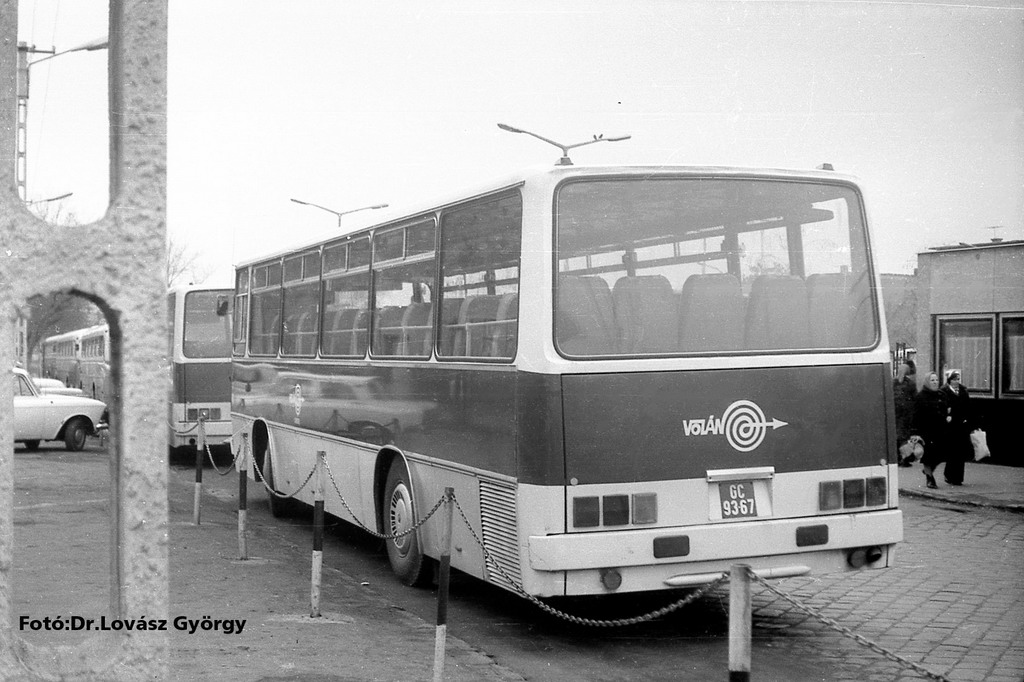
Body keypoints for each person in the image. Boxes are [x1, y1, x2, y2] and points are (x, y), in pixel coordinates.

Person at [912, 371, 950, 489]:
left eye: (937, 380)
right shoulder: (921, 396)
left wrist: (948, 414)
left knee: (941, 454)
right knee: (928, 456)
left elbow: (946, 407)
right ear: (927, 382)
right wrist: (915, 432)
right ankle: (930, 478)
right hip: (926, 431)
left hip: (941, 429)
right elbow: (916, 415)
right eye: (932, 380)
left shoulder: (942, 394)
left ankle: (928, 470)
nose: (935, 382)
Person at [939, 370, 972, 486]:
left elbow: (968, 405)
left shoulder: (963, 390)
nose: (957, 382)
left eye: (958, 379)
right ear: (949, 380)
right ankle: (949, 475)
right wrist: (946, 415)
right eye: (954, 379)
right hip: (950, 425)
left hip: (961, 424)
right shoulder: (943, 391)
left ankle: (958, 478)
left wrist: (967, 418)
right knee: (952, 450)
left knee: (960, 451)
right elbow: (941, 406)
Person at [893, 361, 918, 466]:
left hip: (895, 414)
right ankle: (905, 459)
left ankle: (897, 458)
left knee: (897, 437)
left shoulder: (892, 382)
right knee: (904, 437)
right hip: (906, 414)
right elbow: (915, 399)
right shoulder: (910, 383)